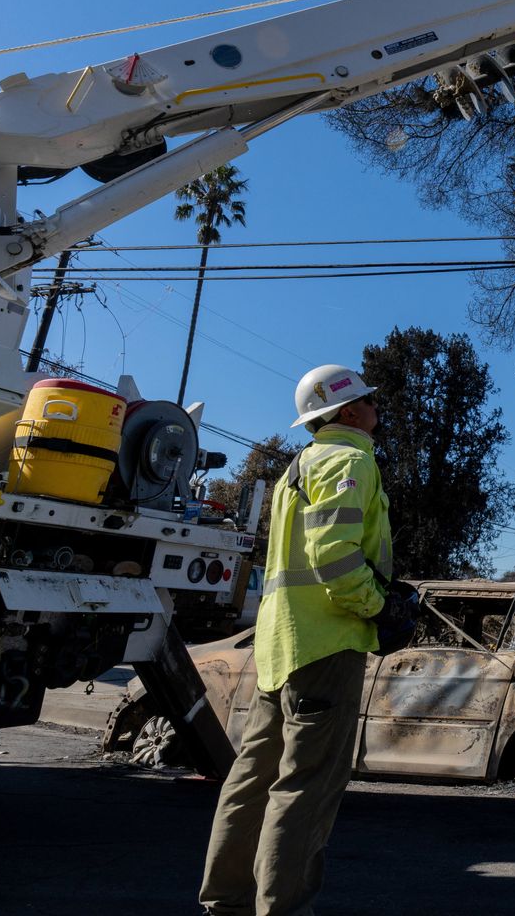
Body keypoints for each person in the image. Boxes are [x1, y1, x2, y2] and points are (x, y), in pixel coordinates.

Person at [200, 363, 393, 916]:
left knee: (252, 780)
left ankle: (226, 902)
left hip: (278, 648)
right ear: (349, 411)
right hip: (326, 647)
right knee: (306, 787)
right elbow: (334, 556)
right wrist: (378, 605)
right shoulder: (351, 459)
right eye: (369, 400)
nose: (376, 407)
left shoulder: (298, 466)